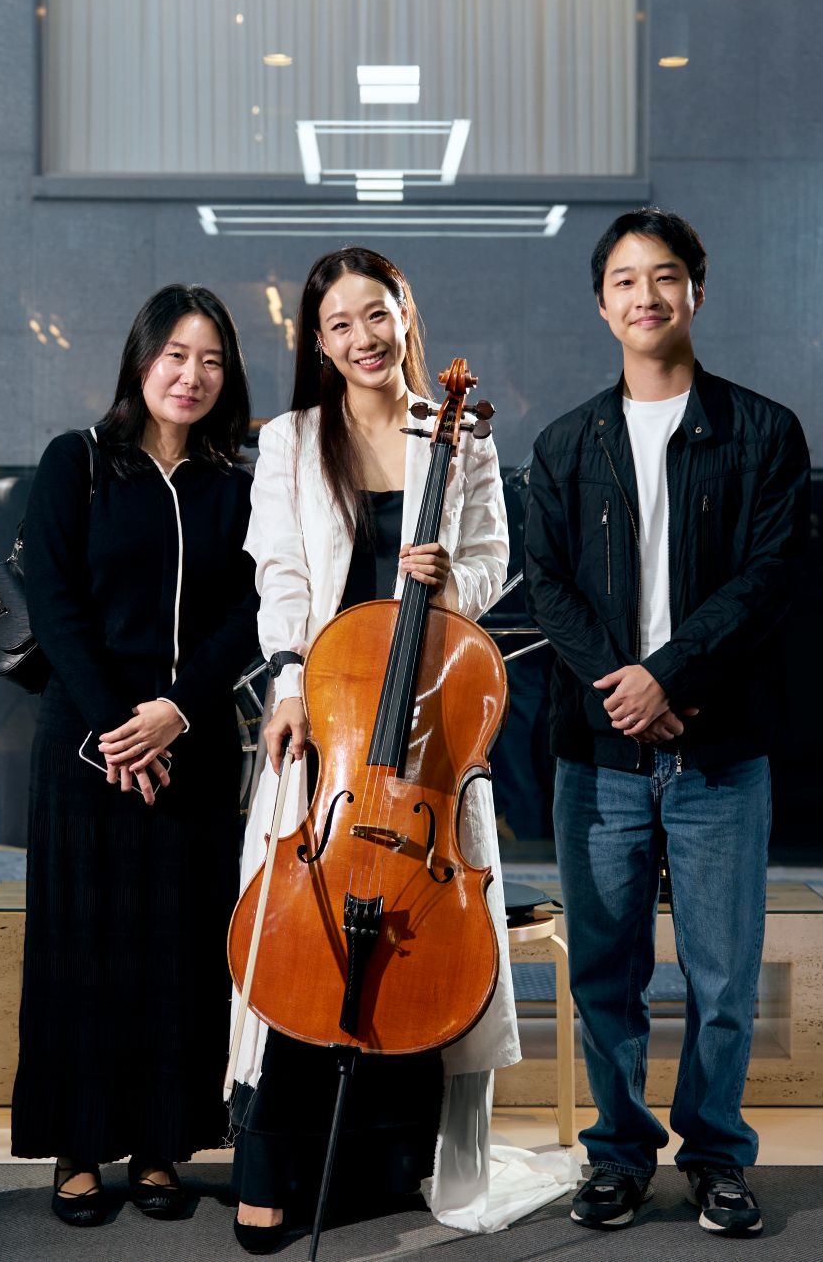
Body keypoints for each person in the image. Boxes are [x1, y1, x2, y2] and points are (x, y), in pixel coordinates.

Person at [523, 208, 811, 1237]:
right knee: (605, 970)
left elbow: (769, 577)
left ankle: (717, 1156)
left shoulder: (763, 431)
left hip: (717, 748)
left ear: (695, 290)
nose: (645, 295)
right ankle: (617, 1154)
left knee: (723, 974)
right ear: (601, 305)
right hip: (598, 753)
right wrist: (624, 688)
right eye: (624, 280)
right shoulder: (565, 443)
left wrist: (669, 676)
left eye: (664, 276)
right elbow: (547, 586)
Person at [227, 247, 521, 1252]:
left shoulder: (459, 432)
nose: (363, 337)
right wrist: (285, 685)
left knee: (413, 941)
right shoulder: (290, 440)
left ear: (405, 317)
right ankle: (271, 1159)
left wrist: (448, 581)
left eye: (378, 314)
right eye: (340, 323)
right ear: (318, 341)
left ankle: (391, 1161)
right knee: (302, 930)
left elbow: (493, 563)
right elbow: (280, 572)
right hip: (333, 722)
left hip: (425, 723)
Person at [8, 283, 261, 1227]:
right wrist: (123, 726)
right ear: (140, 360)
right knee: (82, 946)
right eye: (175, 355)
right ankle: (77, 1148)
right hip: (86, 744)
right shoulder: (75, 460)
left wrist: (176, 713)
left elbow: (252, 612)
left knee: (181, 948)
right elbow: (55, 603)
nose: (191, 376)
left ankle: (162, 1143)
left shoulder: (237, 483)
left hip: (192, 744)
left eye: (211, 360)